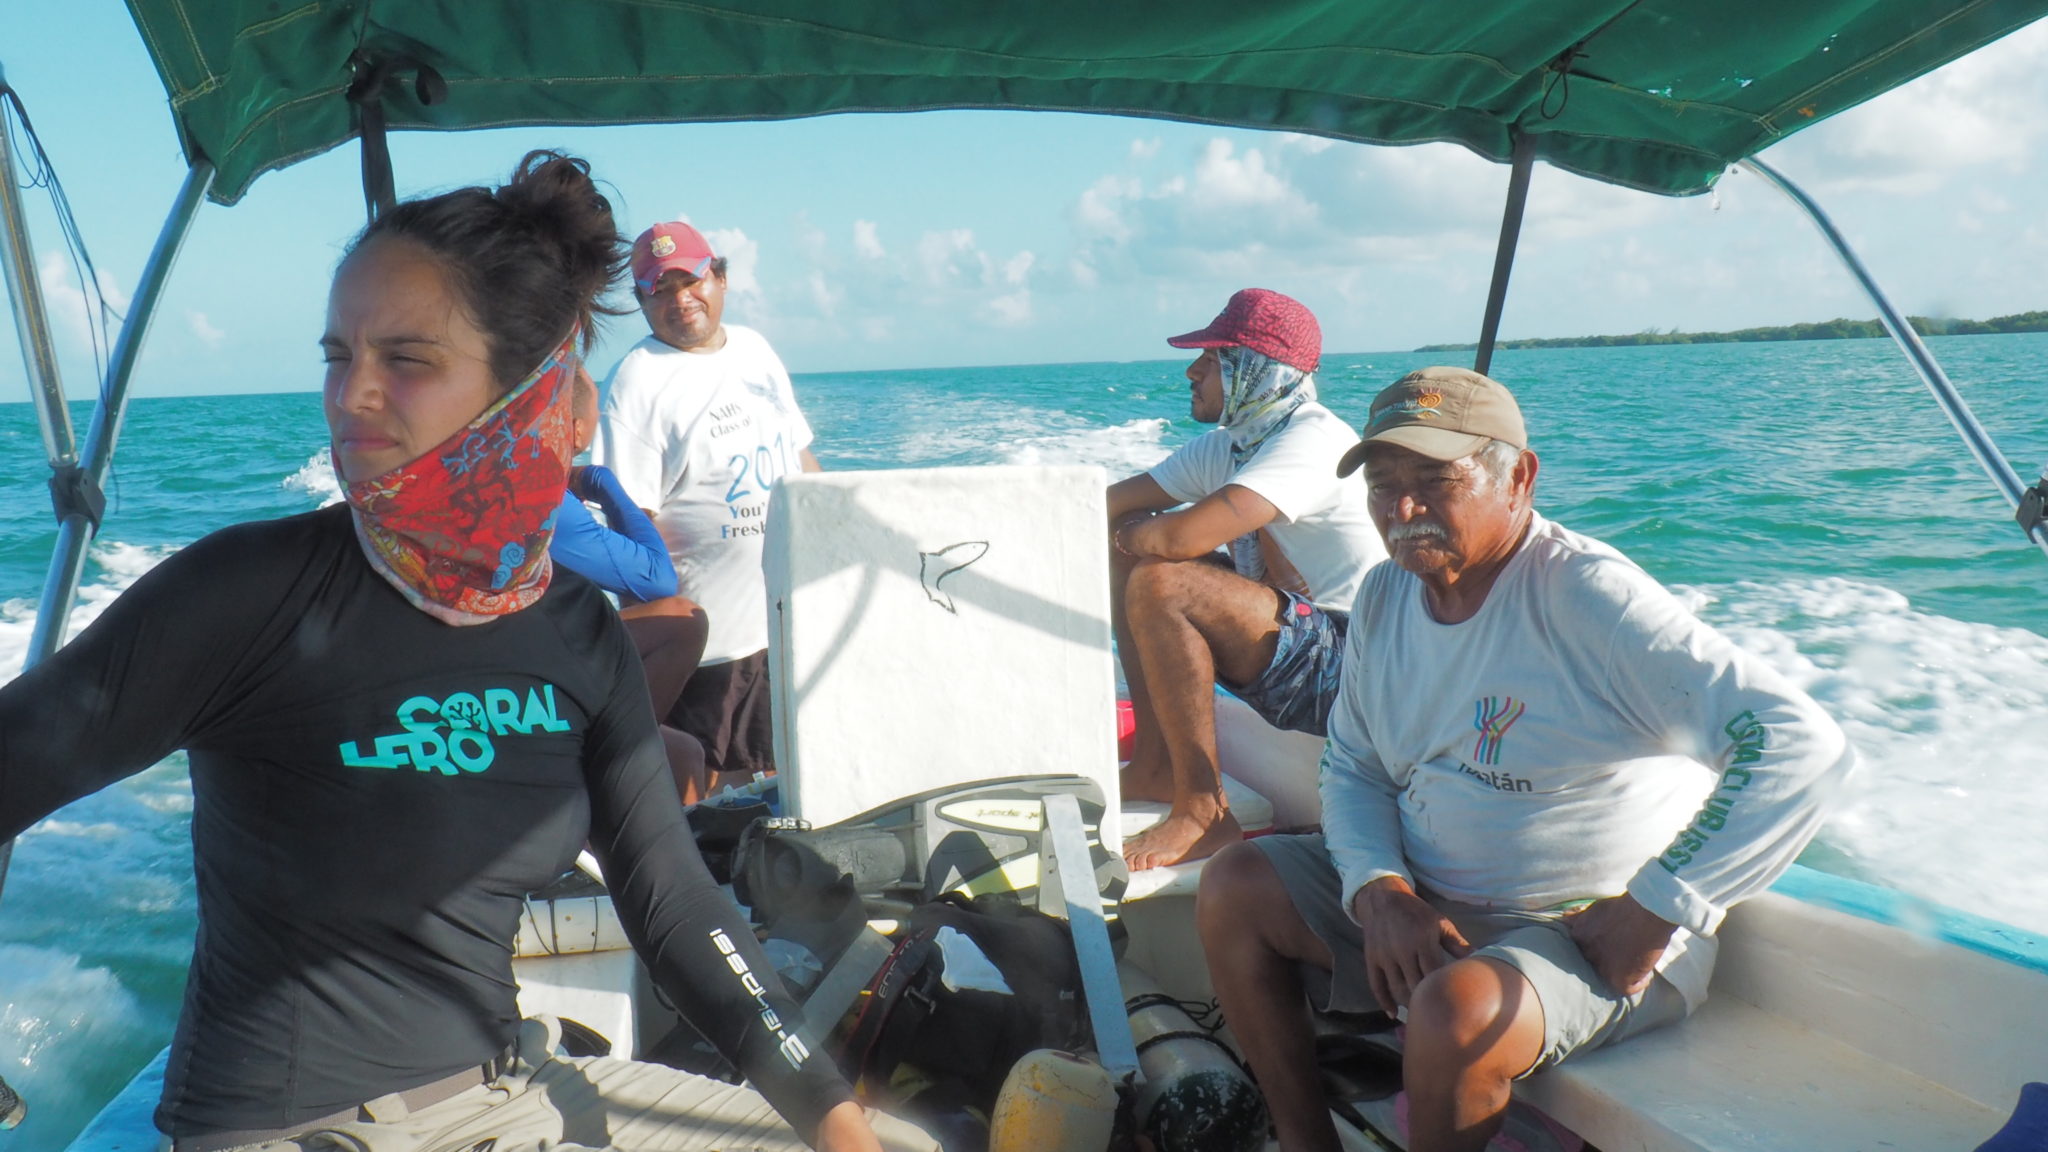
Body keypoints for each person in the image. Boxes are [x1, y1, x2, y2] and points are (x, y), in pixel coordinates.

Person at [0, 151, 928, 1152]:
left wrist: (834, 1118)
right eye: (336, 354)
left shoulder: (575, 627)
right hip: (301, 1130)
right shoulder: (244, 594)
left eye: (404, 359)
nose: (350, 395)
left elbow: (671, 904)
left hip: (516, 1091)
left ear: (531, 397)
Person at [1196, 367, 1857, 1152]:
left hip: (1583, 931)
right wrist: (1381, 890)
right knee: (1235, 885)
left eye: (1435, 480)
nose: (1402, 510)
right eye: (1382, 486)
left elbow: (1801, 749)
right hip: (1436, 904)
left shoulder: (1589, 599)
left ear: (1520, 476)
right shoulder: (1384, 595)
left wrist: (1658, 905)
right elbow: (1355, 765)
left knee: (1455, 1013)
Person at [1108, 288, 1384, 871]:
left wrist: (1137, 533)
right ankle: (1157, 764)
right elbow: (1106, 507)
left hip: (1356, 661)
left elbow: (1181, 542)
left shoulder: (1314, 439)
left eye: (1210, 359)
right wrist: (1133, 536)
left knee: (1163, 581)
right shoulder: (1232, 446)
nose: (1192, 371)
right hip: (1300, 634)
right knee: (1134, 564)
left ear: (1254, 369)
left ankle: (1204, 812)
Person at [597, 220, 820, 784]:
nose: (680, 299)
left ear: (719, 276)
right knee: (720, 804)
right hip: (714, 651)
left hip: (791, 625)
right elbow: (628, 527)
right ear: (642, 302)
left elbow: (802, 458)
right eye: (660, 289)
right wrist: (656, 648)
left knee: (796, 787)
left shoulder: (755, 349)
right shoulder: (636, 382)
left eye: (690, 280)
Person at [555, 367, 716, 802]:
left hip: (529, 650)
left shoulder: (514, 475)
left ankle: (686, 864)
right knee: (684, 619)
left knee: (684, 752)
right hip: (524, 667)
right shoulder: (545, 496)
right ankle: (611, 763)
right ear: (576, 431)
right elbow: (658, 581)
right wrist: (603, 485)